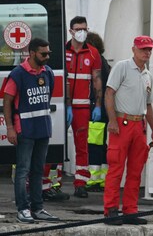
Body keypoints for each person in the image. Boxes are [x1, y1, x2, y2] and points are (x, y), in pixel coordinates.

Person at [103, 35, 153, 225]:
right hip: (122, 122)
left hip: (138, 125)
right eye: (144, 49)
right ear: (134, 49)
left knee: (136, 170)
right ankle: (110, 209)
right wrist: (112, 120)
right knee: (116, 168)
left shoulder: (147, 75)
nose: (147, 52)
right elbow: (109, 93)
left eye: (149, 49)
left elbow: (148, 105)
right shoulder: (122, 67)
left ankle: (130, 209)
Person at [3, 38, 60, 223]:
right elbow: (7, 101)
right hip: (25, 129)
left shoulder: (48, 72)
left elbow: (47, 97)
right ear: (32, 53)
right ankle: (23, 209)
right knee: (22, 171)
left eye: (49, 53)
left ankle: (38, 208)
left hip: (42, 128)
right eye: (44, 54)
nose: (47, 57)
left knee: (38, 171)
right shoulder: (18, 73)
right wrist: (10, 128)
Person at [65, 16, 103, 198]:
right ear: (71, 31)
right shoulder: (62, 50)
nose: (82, 32)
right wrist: (65, 105)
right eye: (78, 29)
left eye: (85, 29)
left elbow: (97, 79)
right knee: (56, 144)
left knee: (82, 146)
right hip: (63, 107)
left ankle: (81, 183)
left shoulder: (93, 53)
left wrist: (98, 104)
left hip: (82, 107)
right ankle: (48, 183)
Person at [86, 32, 111, 191]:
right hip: (103, 109)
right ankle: (102, 179)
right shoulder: (104, 62)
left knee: (94, 144)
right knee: (101, 145)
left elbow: (98, 86)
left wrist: (95, 106)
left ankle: (94, 179)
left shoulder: (97, 62)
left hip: (98, 108)